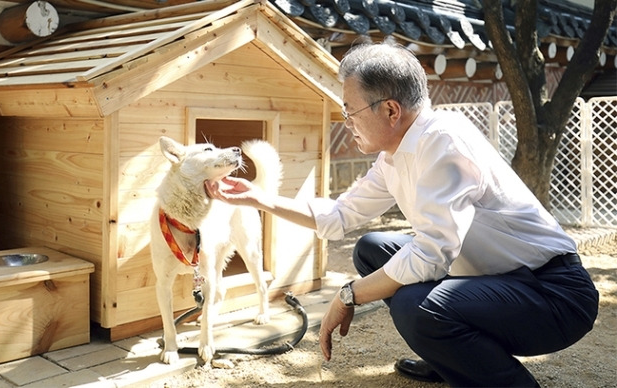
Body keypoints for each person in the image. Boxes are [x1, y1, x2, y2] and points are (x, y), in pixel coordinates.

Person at [204, 40, 599, 387]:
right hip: (495, 278)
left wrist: (348, 294)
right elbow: (339, 216)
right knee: (373, 248)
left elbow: (430, 255)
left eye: (350, 111)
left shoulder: (442, 142)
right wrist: (258, 199)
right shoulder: (394, 155)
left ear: (390, 110)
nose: (347, 123)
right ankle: (453, 359)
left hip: (552, 294)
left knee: (419, 307)